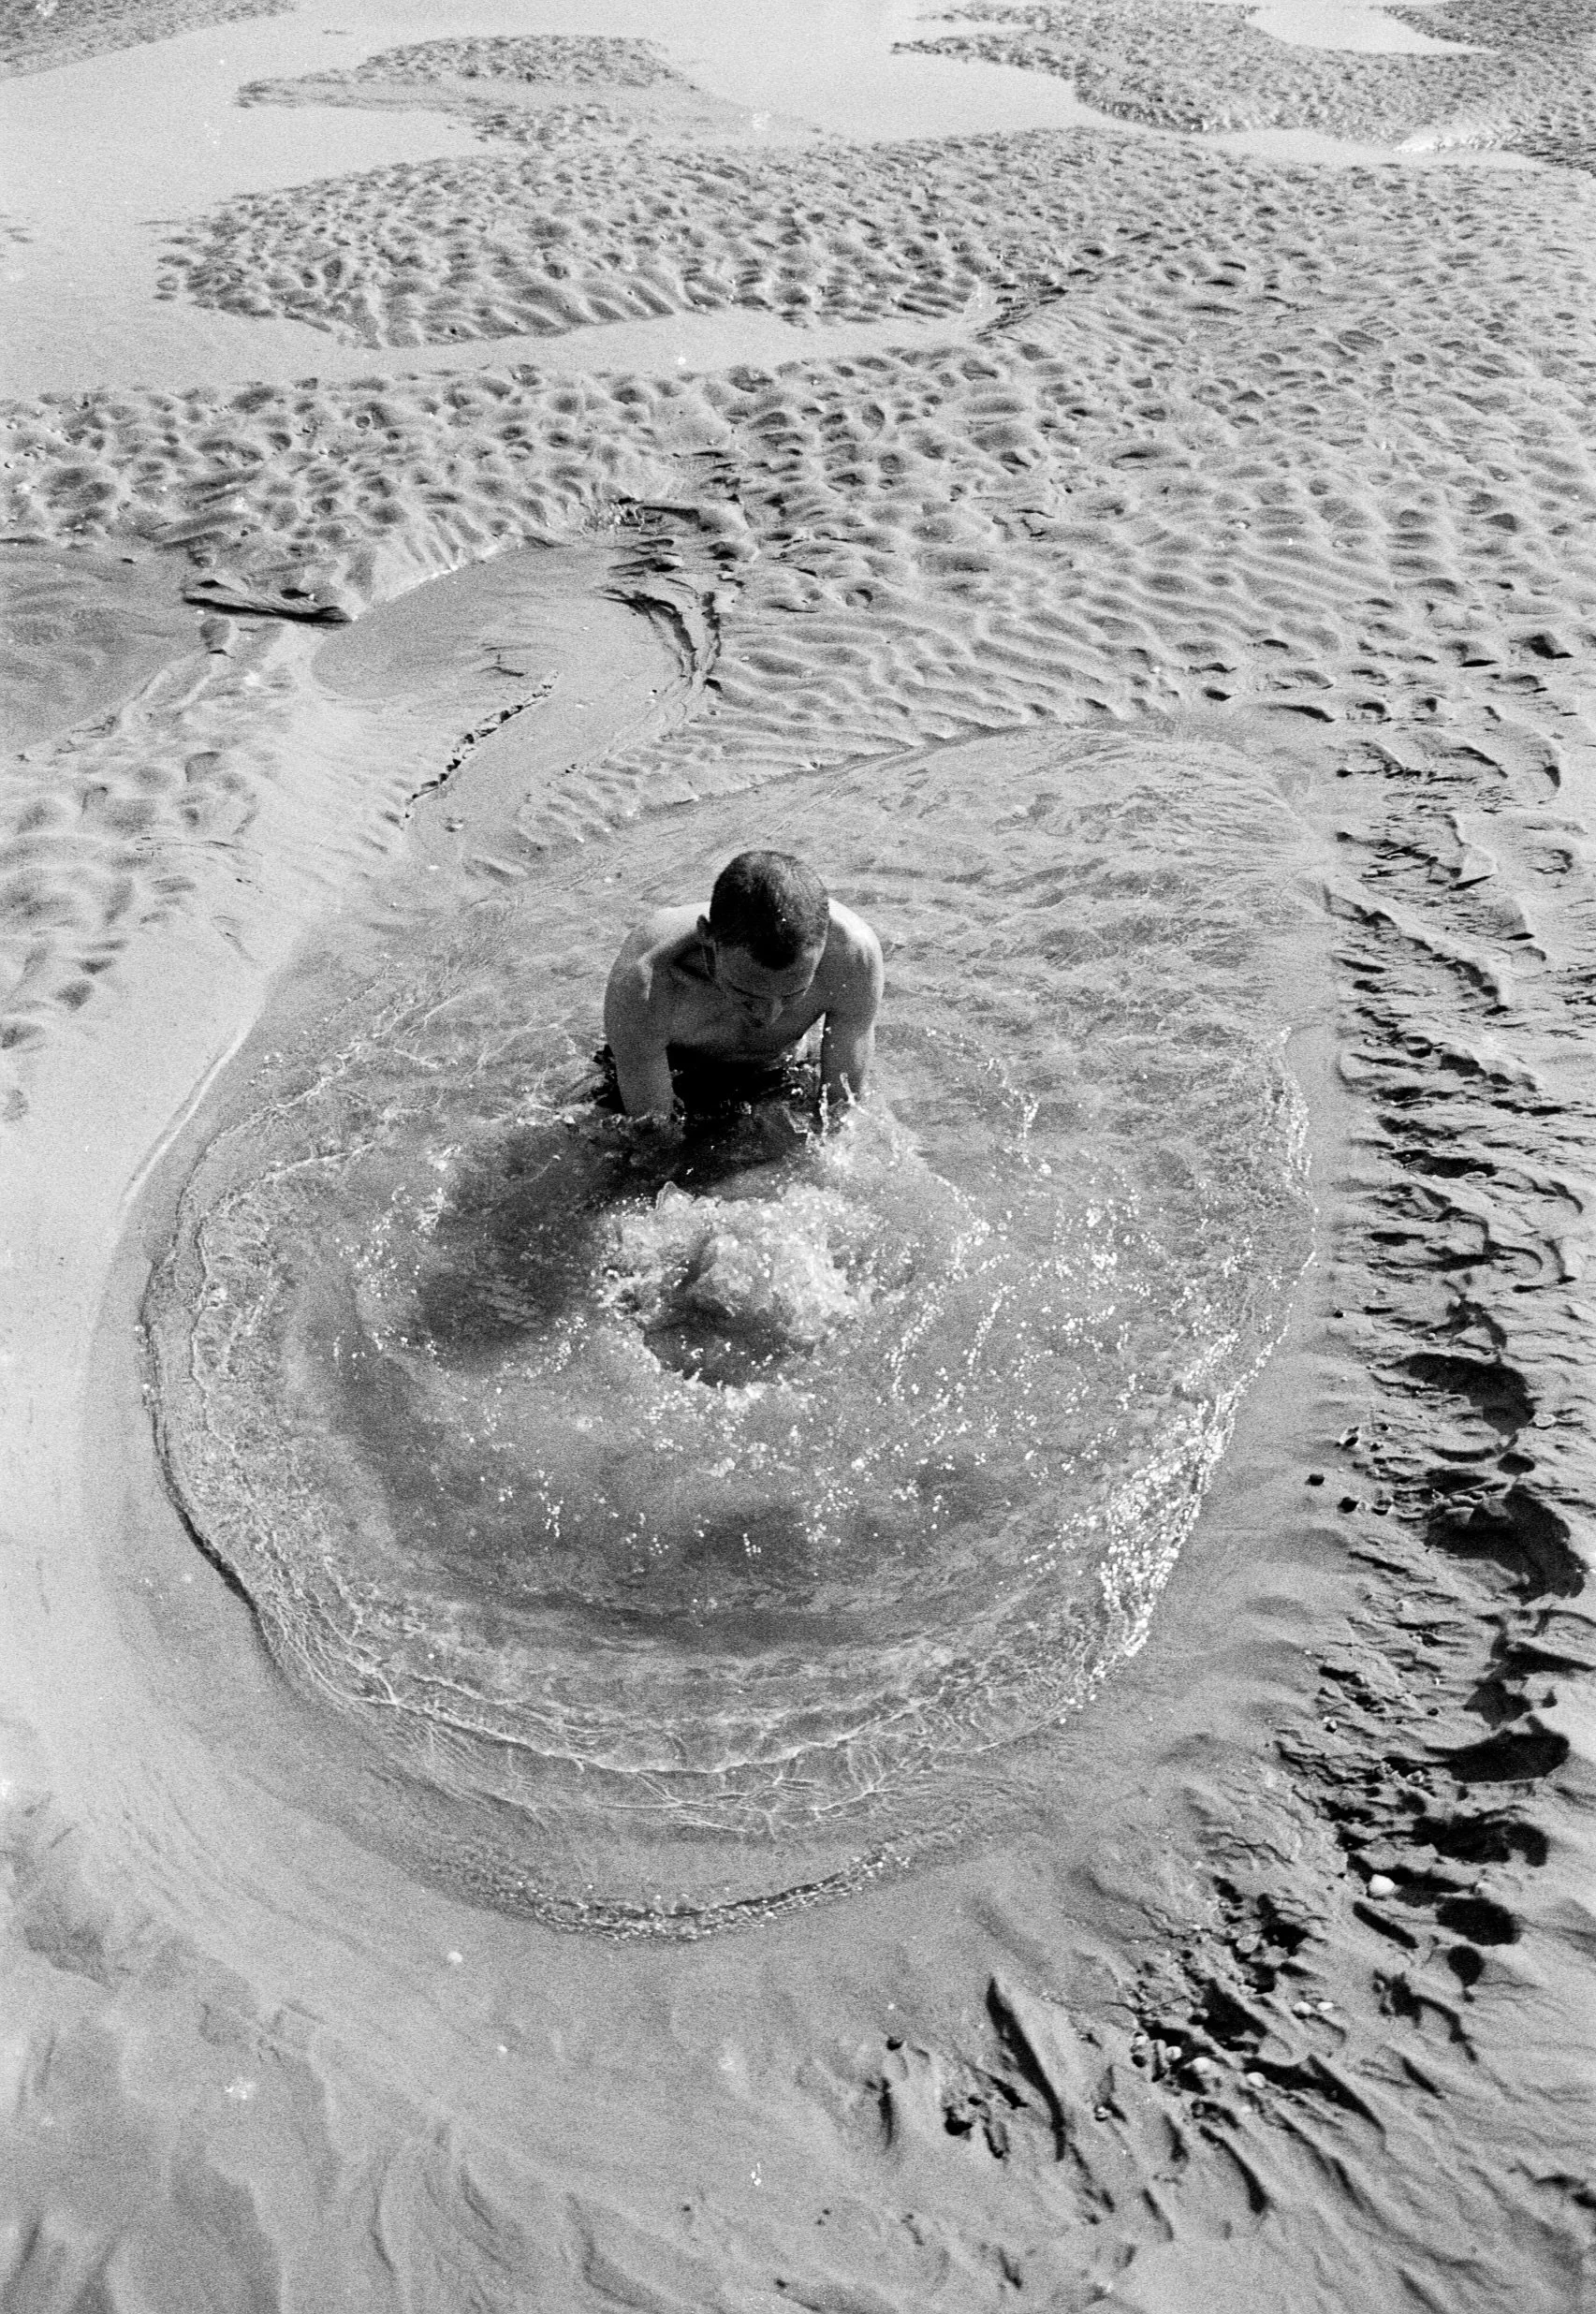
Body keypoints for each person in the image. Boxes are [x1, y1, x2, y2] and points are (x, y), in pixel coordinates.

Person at [601, 849, 883, 1125]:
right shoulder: (649, 973)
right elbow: (655, 1129)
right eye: (745, 994)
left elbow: (839, 1108)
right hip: (675, 1069)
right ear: (707, 937)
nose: (768, 1016)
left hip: (777, 1070)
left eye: (792, 995)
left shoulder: (852, 956)